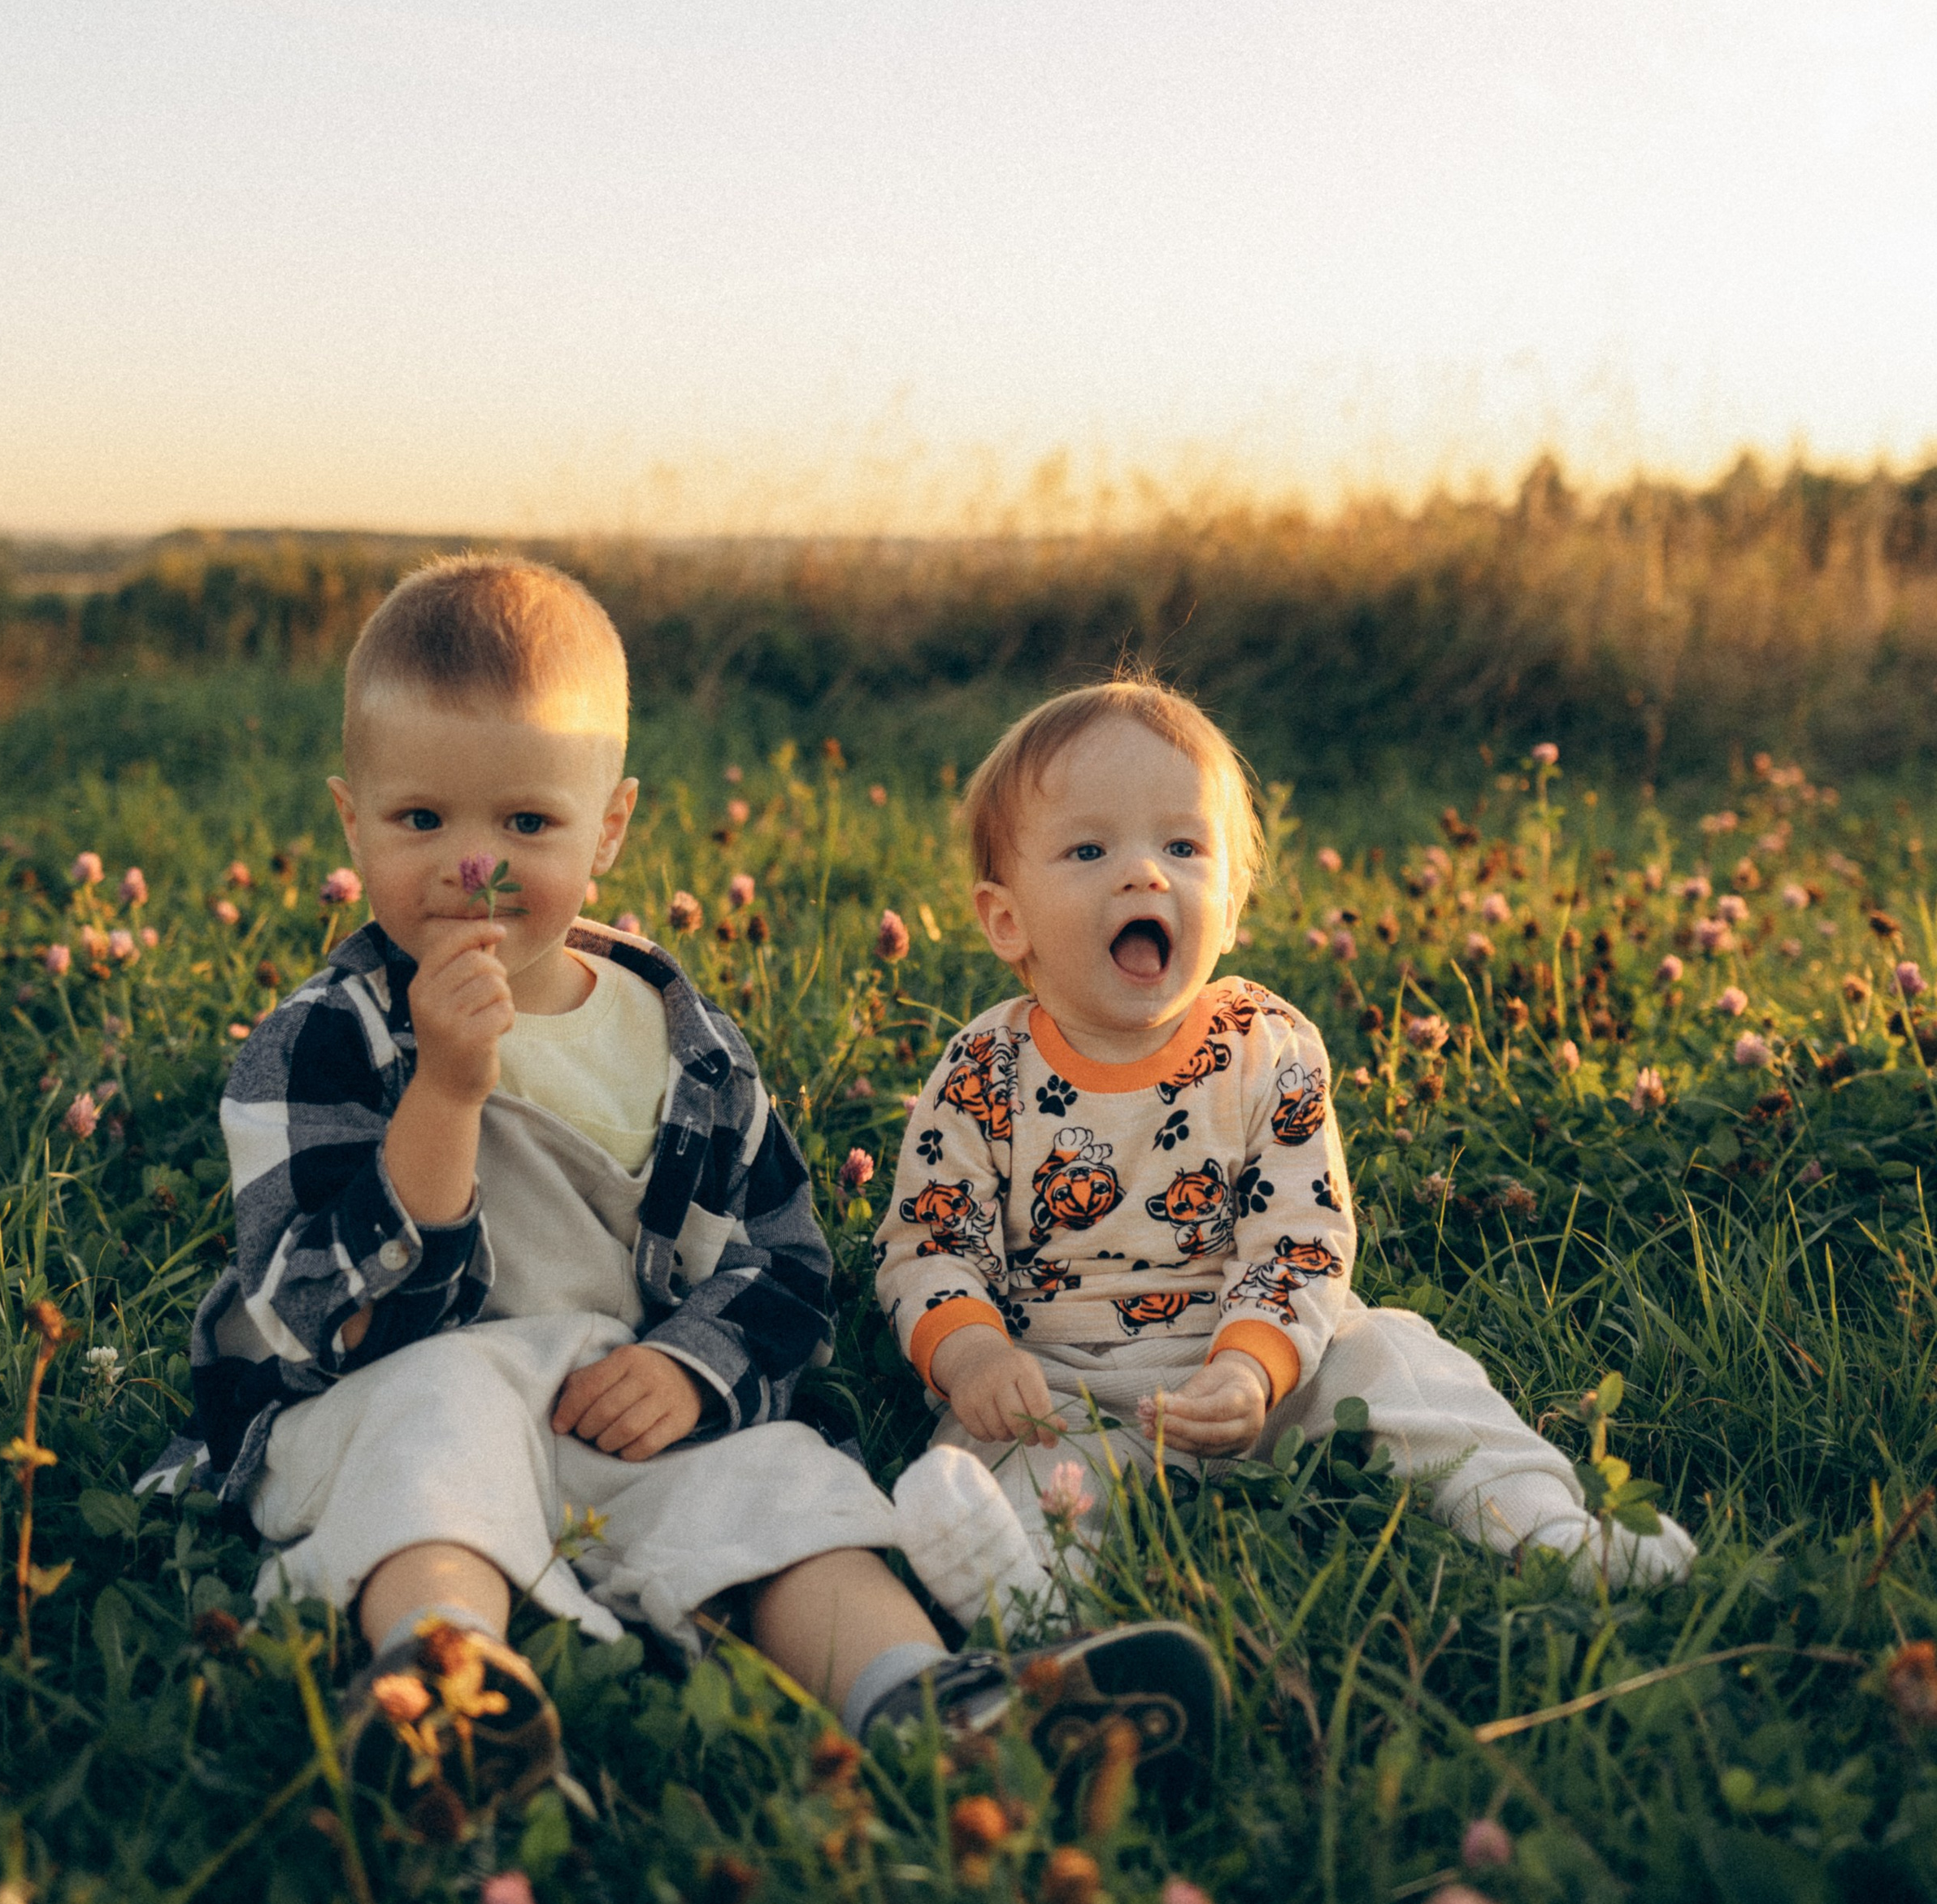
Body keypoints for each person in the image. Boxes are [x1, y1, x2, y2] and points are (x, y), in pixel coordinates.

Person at [145, 560, 1218, 1780]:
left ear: (608, 829)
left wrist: (688, 1366)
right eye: (421, 821)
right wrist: (444, 1093)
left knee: (781, 1485)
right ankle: (442, 1692)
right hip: (394, 1397)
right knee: (432, 1438)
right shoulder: (324, 1041)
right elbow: (311, 1324)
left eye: (529, 824)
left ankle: (933, 1705)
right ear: (353, 823)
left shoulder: (682, 1042)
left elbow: (784, 1265)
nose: (473, 867)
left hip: (615, 1414)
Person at [871, 679, 1696, 1623]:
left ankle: (1546, 1529)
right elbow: (930, 1242)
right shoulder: (985, 1067)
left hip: (1266, 1370)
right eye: (1090, 848)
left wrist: (1250, 1365)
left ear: (1230, 904)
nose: (1144, 874)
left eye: (1182, 847)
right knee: (1008, 1461)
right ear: (1005, 918)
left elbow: (1299, 1239)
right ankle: (1023, 1592)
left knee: (1398, 1360)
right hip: (1059, 1385)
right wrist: (972, 1357)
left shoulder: (1267, 1047)